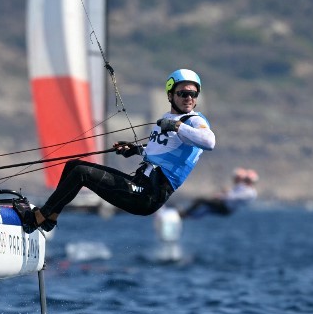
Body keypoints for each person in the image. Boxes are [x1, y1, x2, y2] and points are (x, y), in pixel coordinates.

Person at [29, 68, 216, 233]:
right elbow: (161, 153)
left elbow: (209, 141)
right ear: (170, 95)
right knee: (73, 165)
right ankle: (51, 217)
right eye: (183, 93)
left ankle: (39, 217)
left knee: (81, 173)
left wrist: (177, 126)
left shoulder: (194, 121)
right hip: (139, 182)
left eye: (194, 94)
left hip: (149, 195)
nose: (189, 98)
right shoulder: (167, 119)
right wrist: (135, 150)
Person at [179, 167, 258, 218]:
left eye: (247, 179)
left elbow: (233, 197)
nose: (245, 181)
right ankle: (187, 215)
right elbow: (233, 192)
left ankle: (185, 214)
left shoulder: (250, 192)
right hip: (225, 206)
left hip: (226, 207)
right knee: (206, 208)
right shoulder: (244, 187)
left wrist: (221, 196)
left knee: (201, 200)